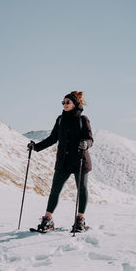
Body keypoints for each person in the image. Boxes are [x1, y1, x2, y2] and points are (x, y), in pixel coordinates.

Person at [27, 91, 93, 232]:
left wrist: (86, 144)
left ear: (75, 104)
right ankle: (47, 219)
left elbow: (90, 139)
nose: (64, 104)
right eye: (63, 102)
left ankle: (80, 220)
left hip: (80, 160)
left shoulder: (83, 120)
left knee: (81, 189)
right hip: (63, 161)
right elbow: (53, 138)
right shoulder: (60, 119)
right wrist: (36, 147)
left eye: (67, 102)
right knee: (55, 190)